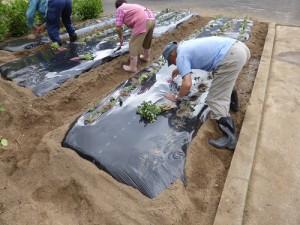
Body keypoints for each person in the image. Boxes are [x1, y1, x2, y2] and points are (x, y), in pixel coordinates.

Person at [162, 36, 250, 150]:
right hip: (239, 48)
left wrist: (177, 97)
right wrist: (180, 69)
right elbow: (192, 57)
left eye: (171, 61)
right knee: (225, 81)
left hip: (231, 56)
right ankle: (234, 105)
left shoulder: (180, 56)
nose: (173, 64)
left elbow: (187, 84)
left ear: (172, 54)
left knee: (215, 99)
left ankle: (230, 138)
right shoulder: (184, 46)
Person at [114, 0, 156, 72]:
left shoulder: (120, 9)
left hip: (142, 20)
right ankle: (146, 57)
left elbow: (118, 27)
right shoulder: (132, 6)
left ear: (117, 6)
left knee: (133, 44)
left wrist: (120, 37)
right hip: (152, 18)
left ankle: (132, 67)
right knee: (147, 40)